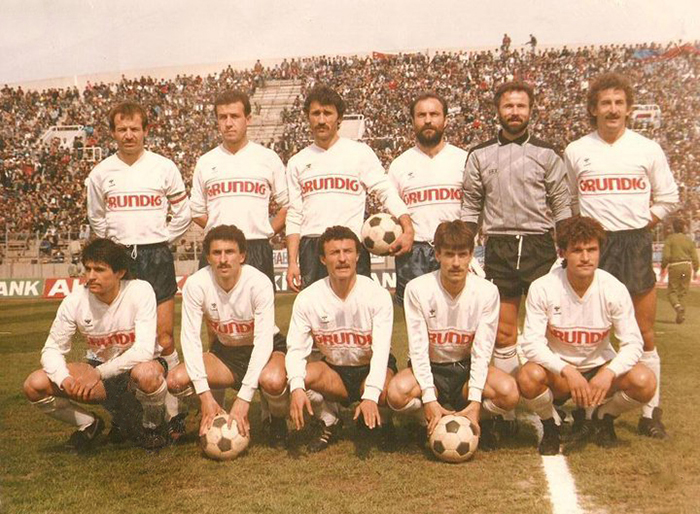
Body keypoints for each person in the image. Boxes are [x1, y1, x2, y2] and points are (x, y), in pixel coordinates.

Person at [565, 72, 679, 439]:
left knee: (643, 332)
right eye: (605, 103)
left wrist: (643, 223)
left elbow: (669, 197)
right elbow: (570, 200)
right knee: (589, 332)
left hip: (634, 243)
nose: (612, 110)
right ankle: (588, 411)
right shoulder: (577, 150)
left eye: (619, 103)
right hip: (594, 246)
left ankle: (650, 413)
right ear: (593, 109)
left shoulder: (647, 148)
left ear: (629, 108)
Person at [460, 81, 571, 427]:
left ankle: (554, 403)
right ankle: (508, 410)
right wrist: (466, 248)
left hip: (540, 246)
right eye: (508, 106)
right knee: (504, 333)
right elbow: (470, 205)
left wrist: (566, 247)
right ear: (498, 110)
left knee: (549, 332)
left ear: (530, 110)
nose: (515, 112)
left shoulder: (548, 153)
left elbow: (561, 203)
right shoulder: (479, 154)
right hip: (500, 247)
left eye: (521, 106)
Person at [86, 101, 191, 435]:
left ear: (146, 130)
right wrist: (113, 250)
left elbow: (184, 212)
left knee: (163, 337)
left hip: (155, 255)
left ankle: (174, 410)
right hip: (120, 260)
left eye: (135, 128)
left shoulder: (163, 167)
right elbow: (96, 217)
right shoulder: (101, 173)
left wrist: (162, 238)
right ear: (113, 132)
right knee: (125, 339)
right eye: (122, 129)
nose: (128, 135)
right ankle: (131, 411)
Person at [518, 217, 656, 454]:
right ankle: (552, 425)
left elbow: (633, 343)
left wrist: (609, 372)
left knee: (645, 381)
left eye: (591, 250)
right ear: (562, 253)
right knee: (528, 377)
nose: (585, 257)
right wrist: (567, 370)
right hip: (561, 374)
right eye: (577, 250)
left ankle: (603, 417)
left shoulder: (613, 288)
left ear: (600, 251)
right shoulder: (543, 287)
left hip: (599, 371)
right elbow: (531, 344)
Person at [23, 239, 171, 450]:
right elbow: (52, 349)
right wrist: (63, 379)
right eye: (88, 269)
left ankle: (153, 427)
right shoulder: (74, 301)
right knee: (34, 384)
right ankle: (89, 424)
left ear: (120, 272)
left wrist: (98, 373)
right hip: (101, 375)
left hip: (137, 372)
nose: (91, 276)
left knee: (147, 374)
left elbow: (144, 351)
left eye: (100, 270)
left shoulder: (139, 291)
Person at [386, 221, 519, 450]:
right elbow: (418, 349)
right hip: (432, 368)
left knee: (509, 392)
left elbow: (482, 351)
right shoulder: (418, 289)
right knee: (396, 393)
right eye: (449, 254)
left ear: (471, 255)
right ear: (437, 255)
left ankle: (475, 417)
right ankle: (425, 419)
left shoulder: (487, 292)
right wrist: (429, 398)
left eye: (462, 254)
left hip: (465, 369)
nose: (456, 263)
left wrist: (475, 400)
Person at [285, 84, 415, 292]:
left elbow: (385, 191)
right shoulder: (297, 162)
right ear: (307, 117)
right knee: (315, 310)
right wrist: (292, 262)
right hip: (312, 246)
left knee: (357, 309)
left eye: (327, 113)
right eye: (315, 113)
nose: (321, 120)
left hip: (350, 243)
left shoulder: (359, 153)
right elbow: (294, 214)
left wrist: (407, 226)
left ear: (339, 118)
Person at [166, 225, 288, 445]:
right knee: (175, 380)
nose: (223, 259)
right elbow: (190, 340)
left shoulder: (258, 283)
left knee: (273, 381)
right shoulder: (196, 284)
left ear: (242, 256)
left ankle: (276, 420)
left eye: (229, 252)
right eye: (216, 253)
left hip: (266, 349)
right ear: (208, 257)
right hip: (227, 352)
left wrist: (243, 399)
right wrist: (205, 396)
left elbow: (263, 343)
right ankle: (215, 412)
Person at [286, 225, 397, 452]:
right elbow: (296, 350)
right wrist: (296, 388)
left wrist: (371, 395)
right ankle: (329, 421)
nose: (342, 259)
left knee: (392, 389)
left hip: (369, 367)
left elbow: (381, 352)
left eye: (348, 251)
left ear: (358, 255)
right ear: (322, 259)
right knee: (299, 376)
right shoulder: (308, 298)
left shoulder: (377, 295)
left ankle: (382, 422)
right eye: (335, 253)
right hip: (335, 372)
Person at [388, 92, 469, 305]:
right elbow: (392, 209)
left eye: (434, 114)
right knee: (416, 316)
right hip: (414, 252)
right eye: (421, 115)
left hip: (454, 250)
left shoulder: (463, 160)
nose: (428, 120)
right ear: (413, 121)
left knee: (458, 312)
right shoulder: (399, 164)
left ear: (445, 119)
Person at [661, 218, 698, 323]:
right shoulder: (688, 240)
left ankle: (677, 307)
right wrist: (696, 270)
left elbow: (666, 256)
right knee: (683, 291)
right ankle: (681, 314)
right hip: (686, 267)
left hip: (675, 267)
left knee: (672, 291)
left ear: (673, 228)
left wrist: (663, 267)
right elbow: (695, 257)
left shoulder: (670, 239)